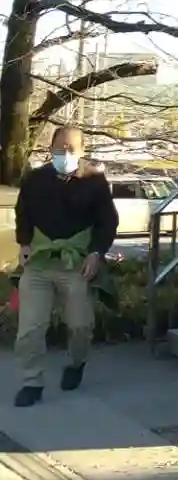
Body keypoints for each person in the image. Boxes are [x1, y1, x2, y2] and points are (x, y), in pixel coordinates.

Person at [12, 125, 117, 406]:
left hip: (77, 264)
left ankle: (77, 362)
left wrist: (96, 253)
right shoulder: (35, 179)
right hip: (39, 262)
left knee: (80, 326)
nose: (65, 153)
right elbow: (23, 213)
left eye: (71, 148)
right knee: (30, 328)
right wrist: (24, 244)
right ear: (51, 149)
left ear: (82, 150)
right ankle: (32, 382)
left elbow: (107, 222)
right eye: (60, 148)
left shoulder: (94, 181)